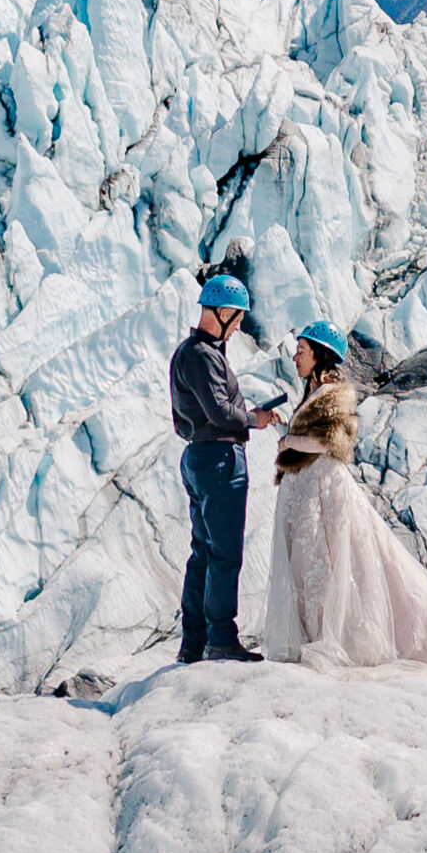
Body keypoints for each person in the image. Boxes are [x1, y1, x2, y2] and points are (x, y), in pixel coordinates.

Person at [262, 320, 427, 692]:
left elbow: (330, 444)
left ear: (320, 354)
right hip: (307, 492)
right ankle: (314, 633)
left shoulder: (335, 393)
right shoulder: (315, 392)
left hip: (324, 494)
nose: (296, 356)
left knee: (324, 563)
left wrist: (289, 441)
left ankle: (327, 636)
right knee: (311, 562)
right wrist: (287, 432)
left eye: (302, 349)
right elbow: (309, 439)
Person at [170, 274, 279, 664]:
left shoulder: (193, 352)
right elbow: (219, 410)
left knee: (203, 551)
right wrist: (254, 419)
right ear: (223, 310)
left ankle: (193, 643)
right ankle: (220, 639)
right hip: (218, 461)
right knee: (224, 554)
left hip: (201, 458)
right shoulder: (202, 354)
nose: (238, 327)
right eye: (236, 318)